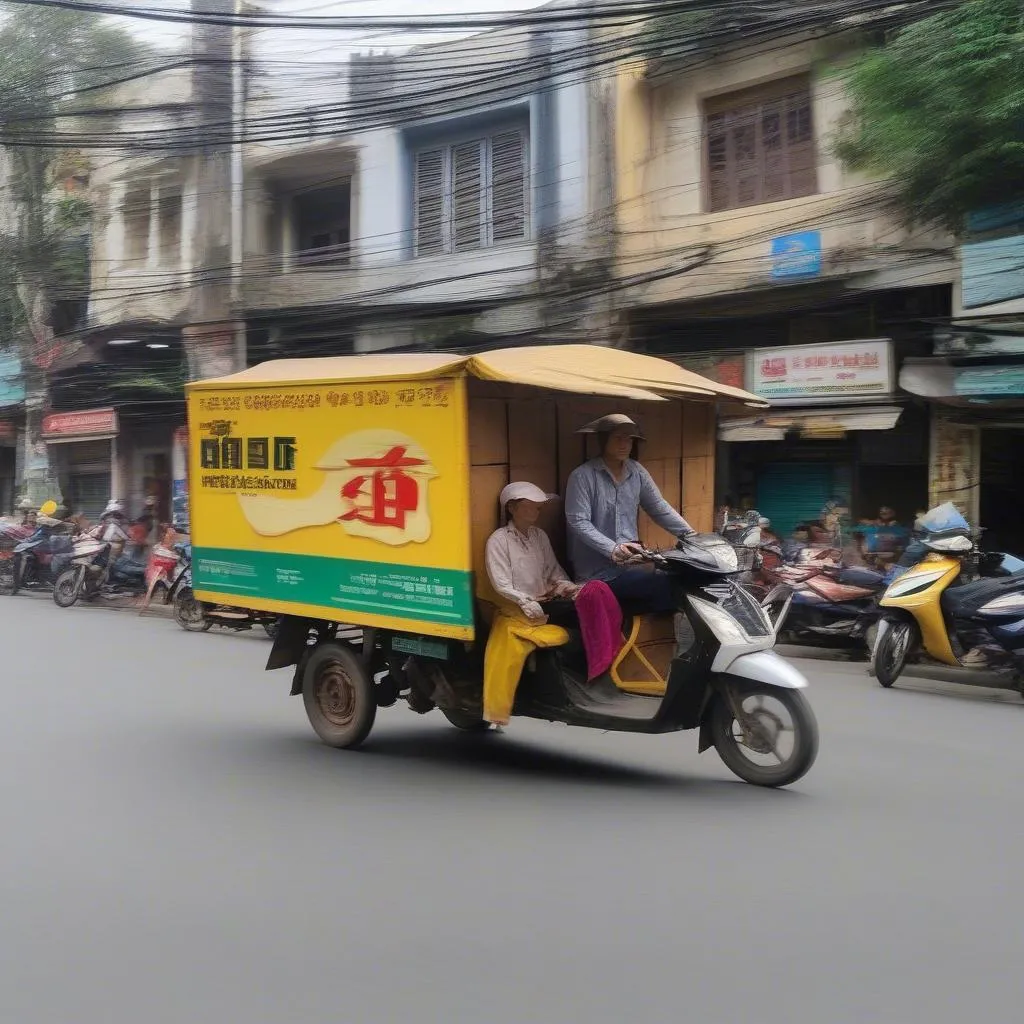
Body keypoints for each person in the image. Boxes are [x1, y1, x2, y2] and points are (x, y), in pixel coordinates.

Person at [565, 413, 695, 613]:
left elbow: (658, 507)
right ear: (603, 440)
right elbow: (578, 521)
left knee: (685, 573)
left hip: (631, 566)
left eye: (629, 439)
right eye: (618, 438)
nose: (624, 444)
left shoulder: (637, 472)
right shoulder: (582, 476)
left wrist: (691, 536)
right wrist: (613, 549)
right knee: (665, 582)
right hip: (597, 576)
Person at [484, 482, 579, 626]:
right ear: (511, 508)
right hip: (521, 606)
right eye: (528, 505)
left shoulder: (539, 535)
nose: (535, 511)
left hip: (548, 601)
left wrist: (567, 587)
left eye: (537, 507)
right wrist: (525, 602)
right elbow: (502, 585)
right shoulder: (498, 540)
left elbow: (554, 571)